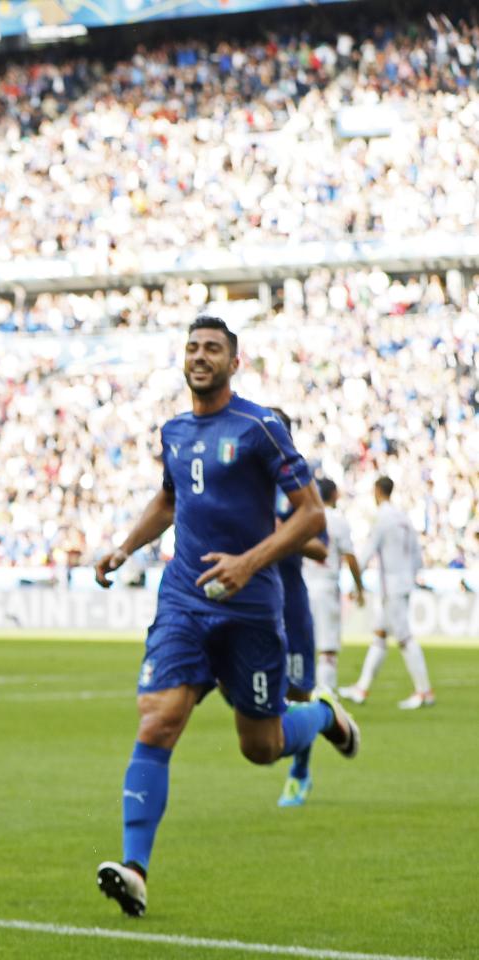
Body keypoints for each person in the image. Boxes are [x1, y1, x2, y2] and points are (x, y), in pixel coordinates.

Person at [91, 317, 358, 918]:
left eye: (213, 348)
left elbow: (311, 516)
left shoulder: (260, 428)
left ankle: (320, 714)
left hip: (250, 610)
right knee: (158, 718)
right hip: (183, 599)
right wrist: (126, 547)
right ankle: (135, 869)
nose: (200, 356)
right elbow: (168, 499)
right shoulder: (175, 430)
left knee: (260, 748)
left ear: (234, 363)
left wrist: (249, 562)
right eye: (192, 347)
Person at [267, 410, 325, 807]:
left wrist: (282, 534)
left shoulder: (300, 487)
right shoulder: (242, 484)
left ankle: (299, 773)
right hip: (251, 606)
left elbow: (321, 548)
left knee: (299, 693)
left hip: (291, 604)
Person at [340, 476, 434, 709]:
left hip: (391, 586)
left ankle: (424, 692)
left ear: (377, 491)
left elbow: (366, 552)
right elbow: (416, 555)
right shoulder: (404, 518)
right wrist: (410, 578)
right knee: (380, 635)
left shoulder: (382, 518)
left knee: (404, 638)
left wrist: (355, 582)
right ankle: (362, 688)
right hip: (402, 583)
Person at [306, 478, 365, 693]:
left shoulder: (303, 518)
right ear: (334, 495)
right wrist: (359, 587)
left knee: (303, 646)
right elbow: (350, 557)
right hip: (326, 587)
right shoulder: (338, 522)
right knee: (327, 649)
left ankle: (301, 695)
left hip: (302, 588)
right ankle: (326, 699)